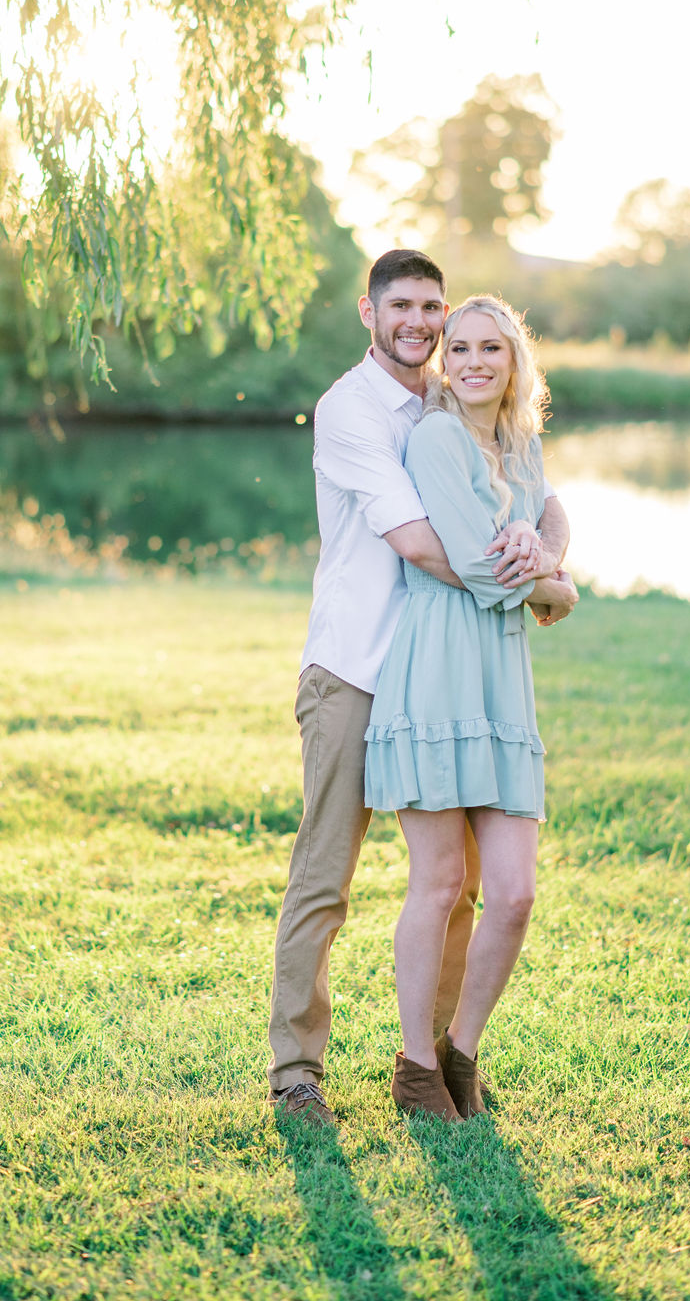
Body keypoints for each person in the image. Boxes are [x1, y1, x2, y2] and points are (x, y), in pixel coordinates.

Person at [267, 251, 571, 1124]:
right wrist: (544, 587)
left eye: (431, 307)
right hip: (356, 669)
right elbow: (421, 543)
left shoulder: (453, 398)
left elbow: (531, 487)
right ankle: (297, 1071)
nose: (421, 322)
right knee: (327, 875)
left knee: (459, 886)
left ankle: (433, 1062)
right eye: (402, 305)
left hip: (441, 675)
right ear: (367, 311)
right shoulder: (351, 411)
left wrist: (551, 542)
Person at [364, 294, 578, 1123]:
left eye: (493, 348)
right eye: (461, 349)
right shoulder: (440, 438)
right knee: (443, 879)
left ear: (515, 362)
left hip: (501, 679)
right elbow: (486, 573)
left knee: (515, 893)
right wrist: (557, 588)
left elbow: (551, 508)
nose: (476, 362)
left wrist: (548, 547)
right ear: (443, 362)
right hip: (437, 668)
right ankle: (416, 1068)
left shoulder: (514, 443)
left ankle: (461, 1051)